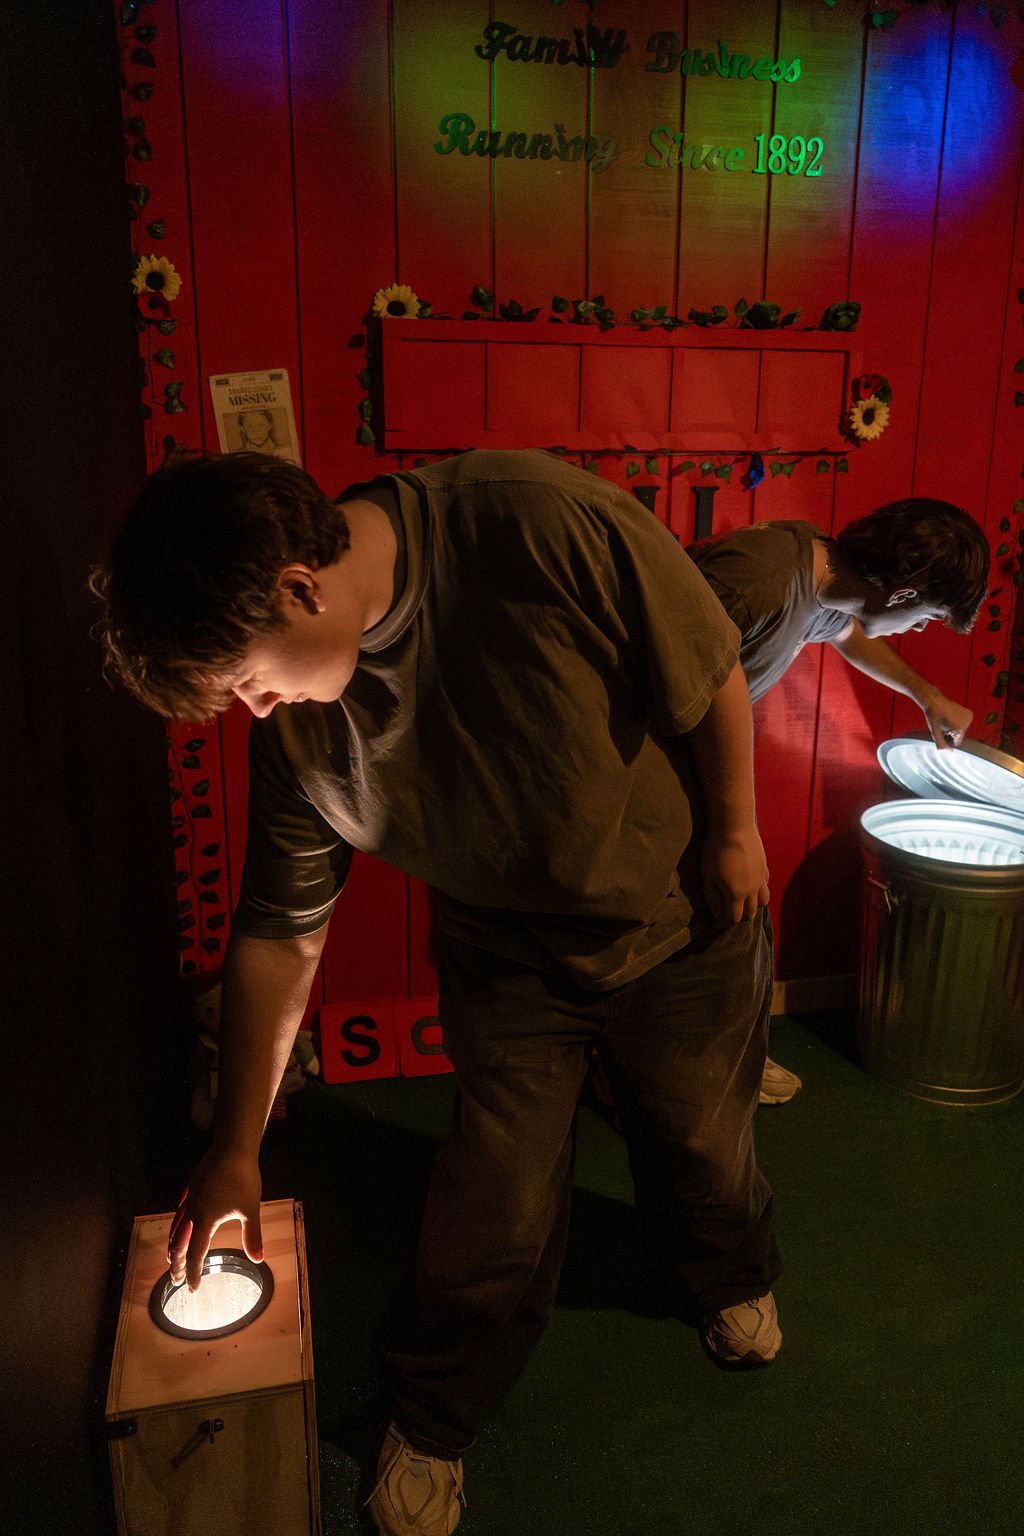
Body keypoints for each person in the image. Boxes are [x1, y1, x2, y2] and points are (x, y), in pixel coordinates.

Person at [95, 447, 781, 1536]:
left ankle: (724, 1270)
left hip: (677, 916)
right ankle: (438, 1405)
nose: (254, 708)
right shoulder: (301, 736)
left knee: (702, 1135)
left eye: (244, 677)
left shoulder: (535, 518)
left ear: (298, 587)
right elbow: (280, 933)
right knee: (495, 1193)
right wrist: (236, 1146)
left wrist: (738, 832)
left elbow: (708, 675)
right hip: (504, 955)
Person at [688, 498, 990, 1107]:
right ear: (903, 595)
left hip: (687, 782)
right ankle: (652, 1077)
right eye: (927, 619)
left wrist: (926, 696)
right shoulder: (763, 578)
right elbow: (670, 686)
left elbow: (849, 632)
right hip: (637, 781)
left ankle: (726, 1055)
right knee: (702, 927)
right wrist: (732, 831)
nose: (918, 631)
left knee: (738, 924)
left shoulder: (824, 585)